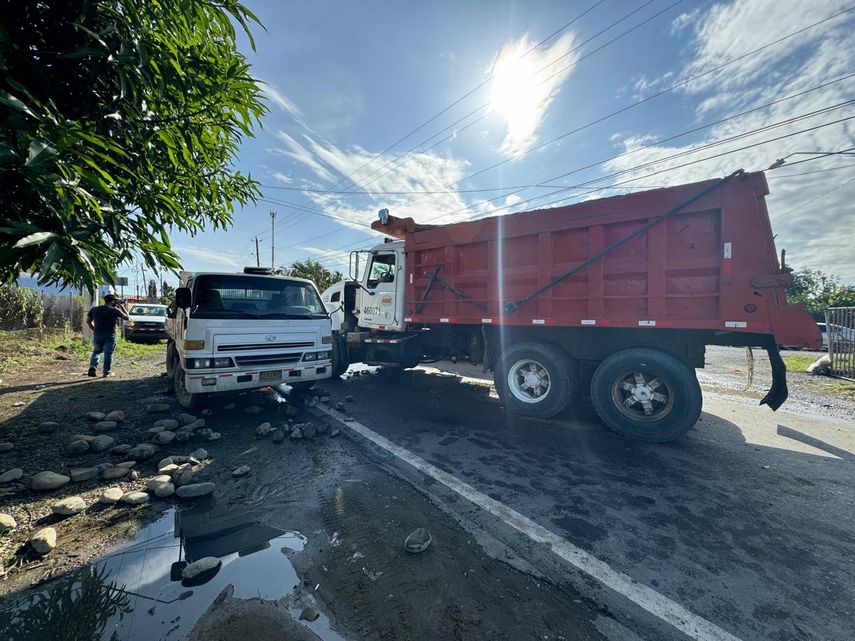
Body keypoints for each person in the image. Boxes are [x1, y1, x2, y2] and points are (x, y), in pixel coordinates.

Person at [86, 294, 129, 377]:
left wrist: (94, 329)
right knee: (108, 354)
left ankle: (92, 366)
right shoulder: (115, 310)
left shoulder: (94, 309)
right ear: (112, 301)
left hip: (98, 334)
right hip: (110, 335)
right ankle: (106, 372)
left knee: (97, 351)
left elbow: (88, 321)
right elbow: (127, 318)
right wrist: (122, 307)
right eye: (115, 301)